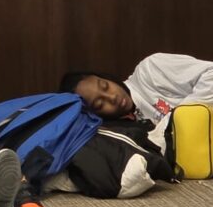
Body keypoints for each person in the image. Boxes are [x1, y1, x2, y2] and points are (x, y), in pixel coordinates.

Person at [60, 53, 213, 151]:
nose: (112, 97)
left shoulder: (150, 70)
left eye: (105, 86)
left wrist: (176, 119)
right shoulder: (121, 130)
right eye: (100, 104)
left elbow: (210, 73)